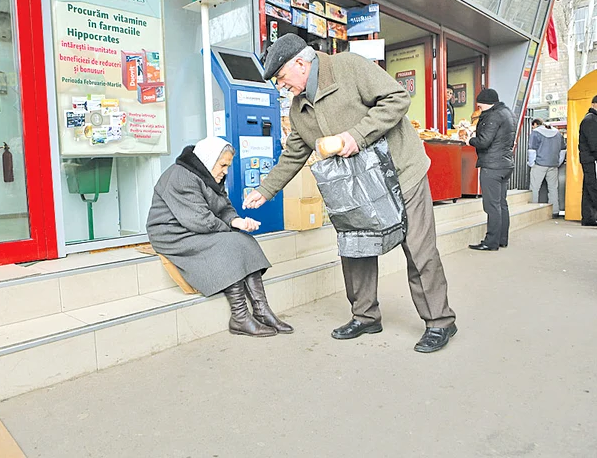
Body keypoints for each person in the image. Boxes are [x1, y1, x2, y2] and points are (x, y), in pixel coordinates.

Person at [243, 33, 457, 353]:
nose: (282, 86)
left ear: (301, 64)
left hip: (400, 173)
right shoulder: (299, 109)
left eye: (282, 78)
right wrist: (265, 189)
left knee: (419, 250)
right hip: (355, 188)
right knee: (355, 248)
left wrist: (356, 135)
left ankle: (440, 321)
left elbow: (397, 98)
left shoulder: (349, 67)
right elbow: (294, 154)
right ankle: (365, 315)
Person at [146, 136, 293, 337]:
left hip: (195, 226)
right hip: (172, 232)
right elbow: (199, 220)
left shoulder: (210, 175)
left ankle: (261, 310)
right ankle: (240, 317)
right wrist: (231, 227)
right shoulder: (181, 176)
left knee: (244, 240)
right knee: (230, 243)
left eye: (228, 166)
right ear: (208, 159)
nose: (225, 171)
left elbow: (223, 207)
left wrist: (237, 221)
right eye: (223, 165)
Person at [466, 89, 516, 251]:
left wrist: (469, 139)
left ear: (486, 103)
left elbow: (484, 141)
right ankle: (502, 239)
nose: (478, 107)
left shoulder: (493, 116)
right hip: (505, 164)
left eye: (479, 104)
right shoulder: (507, 113)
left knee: (491, 205)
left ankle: (491, 242)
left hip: (492, 166)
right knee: (501, 204)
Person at [527, 118, 565, 218]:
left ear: (535, 124)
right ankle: (554, 211)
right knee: (553, 189)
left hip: (539, 164)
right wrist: (558, 163)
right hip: (553, 165)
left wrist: (531, 164)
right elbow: (563, 151)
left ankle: (533, 212)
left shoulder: (535, 133)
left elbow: (532, 151)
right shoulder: (557, 133)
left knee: (534, 188)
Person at [578, 95, 597, 226]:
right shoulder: (591, 120)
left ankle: (589, 218)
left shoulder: (591, 118)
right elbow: (594, 143)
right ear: (594, 104)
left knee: (589, 189)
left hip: (589, 159)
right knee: (593, 188)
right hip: (591, 159)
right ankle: (590, 217)